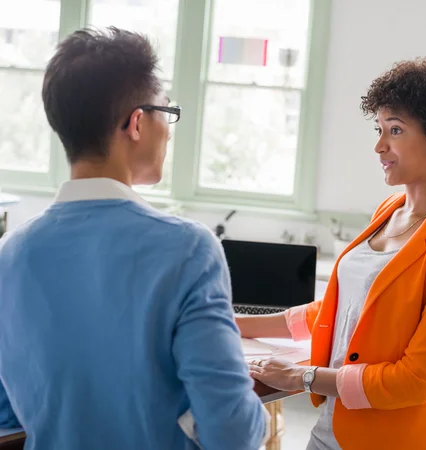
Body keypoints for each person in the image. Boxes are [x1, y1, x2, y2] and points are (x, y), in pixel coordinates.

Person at [0, 27, 268, 450]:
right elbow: (233, 431)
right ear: (137, 122)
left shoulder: (8, 255)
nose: (169, 129)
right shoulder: (189, 249)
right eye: (168, 112)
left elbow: (8, 415)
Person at [237, 58, 426, 450]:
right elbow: (343, 308)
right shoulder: (389, 211)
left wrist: (302, 377)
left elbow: (415, 380)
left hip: (396, 438)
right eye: (379, 129)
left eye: (395, 130)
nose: (379, 146)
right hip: (333, 428)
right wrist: (236, 323)